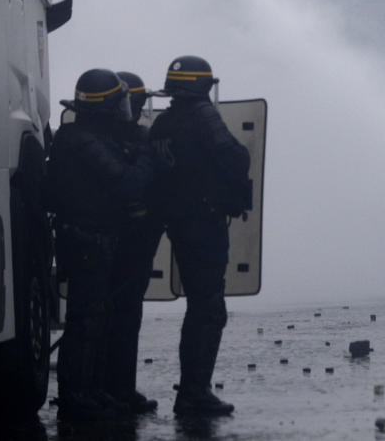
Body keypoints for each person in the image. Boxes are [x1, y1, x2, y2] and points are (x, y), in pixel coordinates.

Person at [48, 69, 155, 421]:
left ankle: (90, 391)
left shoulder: (80, 136)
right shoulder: (85, 141)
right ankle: (76, 395)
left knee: (95, 318)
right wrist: (145, 155)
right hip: (88, 241)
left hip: (89, 238)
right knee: (86, 320)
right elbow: (128, 185)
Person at [150, 56, 251, 415]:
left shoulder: (162, 122)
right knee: (208, 309)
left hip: (177, 222)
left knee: (200, 306)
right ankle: (194, 393)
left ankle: (192, 390)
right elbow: (235, 156)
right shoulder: (204, 116)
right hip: (203, 223)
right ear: (202, 86)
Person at [104, 71, 162, 413]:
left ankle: (100, 387)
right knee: (125, 316)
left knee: (104, 315)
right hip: (132, 240)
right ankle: (119, 389)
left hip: (105, 238)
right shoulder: (139, 140)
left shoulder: (88, 136)